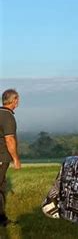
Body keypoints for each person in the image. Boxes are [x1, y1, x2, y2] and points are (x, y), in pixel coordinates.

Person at [0, 89, 21, 227]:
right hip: (1, 157)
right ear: (14, 100)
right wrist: (16, 159)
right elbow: (9, 140)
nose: (18, 102)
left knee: (1, 187)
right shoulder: (7, 116)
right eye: (17, 100)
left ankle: (1, 219)